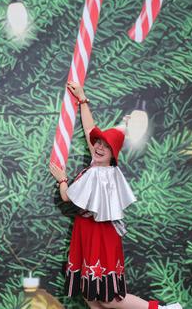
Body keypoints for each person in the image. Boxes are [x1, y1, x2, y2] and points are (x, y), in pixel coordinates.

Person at [49, 81, 182, 309]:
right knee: (91, 295)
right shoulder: (99, 164)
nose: (99, 147)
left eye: (105, 146)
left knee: (108, 298)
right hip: (89, 232)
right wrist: (82, 100)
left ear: (114, 154)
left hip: (99, 235)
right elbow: (90, 128)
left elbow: (67, 197)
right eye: (98, 143)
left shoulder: (102, 174)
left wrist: (62, 180)